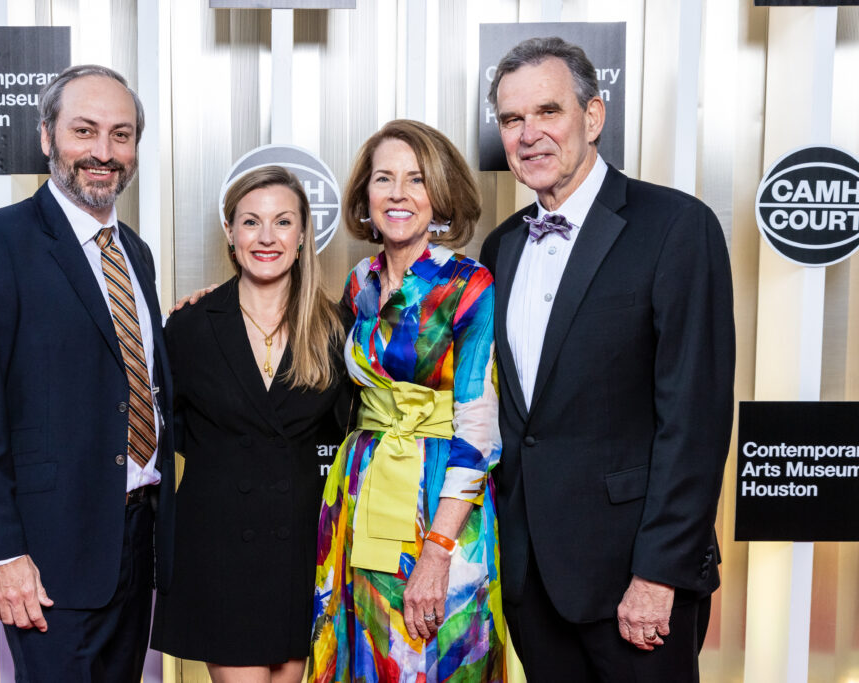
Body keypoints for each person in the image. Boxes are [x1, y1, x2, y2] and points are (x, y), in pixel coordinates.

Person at [479, 37, 735, 682]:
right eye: (512, 120)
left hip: (633, 579)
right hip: (532, 578)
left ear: (593, 117)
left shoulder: (676, 226)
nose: (529, 135)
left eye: (548, 112)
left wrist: (658, 574)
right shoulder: (501, 246)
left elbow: (694, 420)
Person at [0, 64, 175, 681]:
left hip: (136, 540)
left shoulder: (135, 253)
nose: (104, 152)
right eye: (85, 131)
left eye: (121, 135)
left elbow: (128, 380)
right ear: (47, 137)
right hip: (45, 553)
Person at [311, 119, 505, 683]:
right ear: (364, 196)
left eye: (416, 180)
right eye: (384, 179)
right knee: (367, 654)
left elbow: (478, 428)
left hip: (440, 498)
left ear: (439, 195)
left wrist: (439, 550)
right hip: (363, 488)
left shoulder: (471, 285)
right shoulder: (359, 282)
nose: (398, 194)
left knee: (434, 653)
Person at [151, 166, 346, 683]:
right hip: (222, 549)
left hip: (303, 549)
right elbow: (170, 429)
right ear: (231, 235)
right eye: (250, 222)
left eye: (282, 222)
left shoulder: (333, 329)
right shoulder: (190, 326)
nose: (266, 237)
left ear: (303, 235)